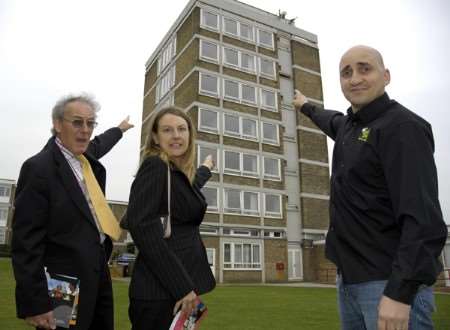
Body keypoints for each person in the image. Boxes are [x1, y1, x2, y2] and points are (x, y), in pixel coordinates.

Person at [293, 45, 447, 330]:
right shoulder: (351, 127)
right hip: (350, 282)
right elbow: (333, 121)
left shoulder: (402, 128)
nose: (354, 79)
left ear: (386, 75)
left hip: (387, 285)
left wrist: (400, 293)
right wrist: (306, 106)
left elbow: (423, 221)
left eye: (365, 69)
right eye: (346, 73)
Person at [11, 93, 134, 330]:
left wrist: (119, 129)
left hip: (98, 273)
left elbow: (100, 142)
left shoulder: (85, 158)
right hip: (62, 284)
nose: (85, 130)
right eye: (77, 122)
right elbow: (26, 243)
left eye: (90, 123)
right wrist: (35, 303)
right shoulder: (38, 169)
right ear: (57, 125)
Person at [126, 106, 216, 330]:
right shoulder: (155, 166)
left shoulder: (172, 171)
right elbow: (142, 227)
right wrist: (182, 287)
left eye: (182, 129)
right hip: (163, 292)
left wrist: (204, 169)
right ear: (155, 137)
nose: (176, 135)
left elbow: (186, 195)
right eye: (167, 130)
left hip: (175, 289)